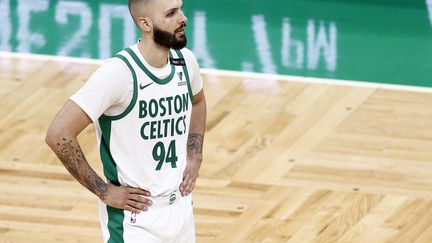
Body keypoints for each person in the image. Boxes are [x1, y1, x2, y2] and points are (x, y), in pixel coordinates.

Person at [45, 0, 206, 242]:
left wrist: (195, 153)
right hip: (136, 219)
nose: (183, 17)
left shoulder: (185, 61)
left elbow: (198, 101)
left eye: (181, 8)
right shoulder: (118, 73)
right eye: (171, 13)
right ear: (145, 23)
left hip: (181, 208)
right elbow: (58, 134)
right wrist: (102, 190)